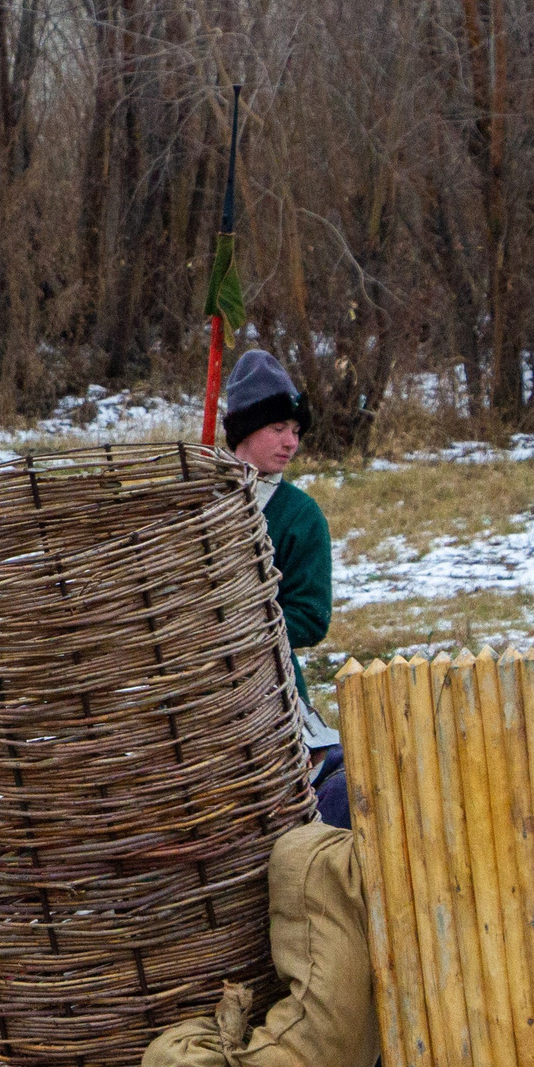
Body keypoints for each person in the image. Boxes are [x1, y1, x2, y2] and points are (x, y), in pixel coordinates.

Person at [220, 349, 345, 825]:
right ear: (246, 430)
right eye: (278, 429)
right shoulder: (194, 499)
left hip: (270, 691)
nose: (290, 442)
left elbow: (312, 618)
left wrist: (238, 628)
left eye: (296, 431)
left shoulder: (301, 518)